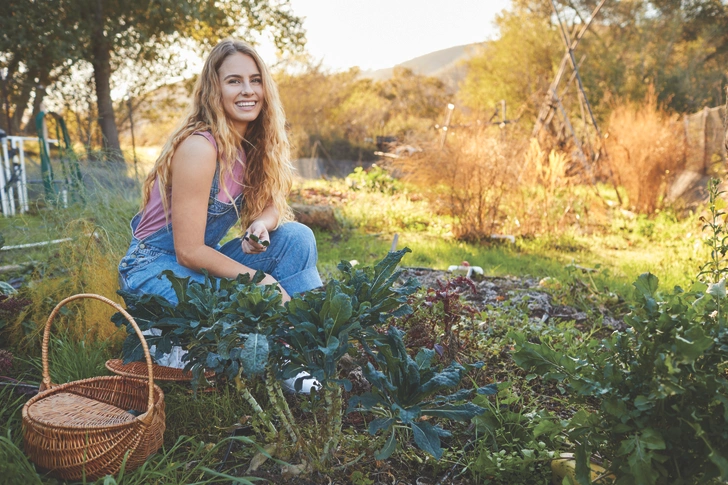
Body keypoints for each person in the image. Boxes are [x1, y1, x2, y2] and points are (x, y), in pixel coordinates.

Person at [118, 39, 323, 367]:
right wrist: (259, 281)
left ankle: (308, 343)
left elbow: (272, 206)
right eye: (234, 81)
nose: (247, 90)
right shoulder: (200, 147)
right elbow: (188, 250)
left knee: (297, 238)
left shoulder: (250, 147)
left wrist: (260, 224)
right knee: (237, 300)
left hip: (194, 267)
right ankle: (283, 357)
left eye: (255, 80)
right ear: (214, 90)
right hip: (153, 268)